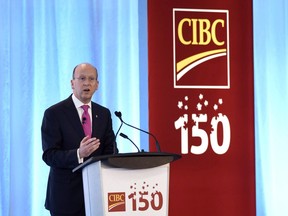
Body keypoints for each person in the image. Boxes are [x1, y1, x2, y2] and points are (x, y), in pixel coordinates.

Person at [41, 63, 117, 216]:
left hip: (98, 195)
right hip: (65, 197)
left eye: (91, 79)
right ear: (72, 83)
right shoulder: (54, 113)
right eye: (82, 78)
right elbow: (49, 155)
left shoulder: (104, 114)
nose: (87, 83)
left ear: (97, 85)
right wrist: (78, 153)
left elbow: (110, 149)